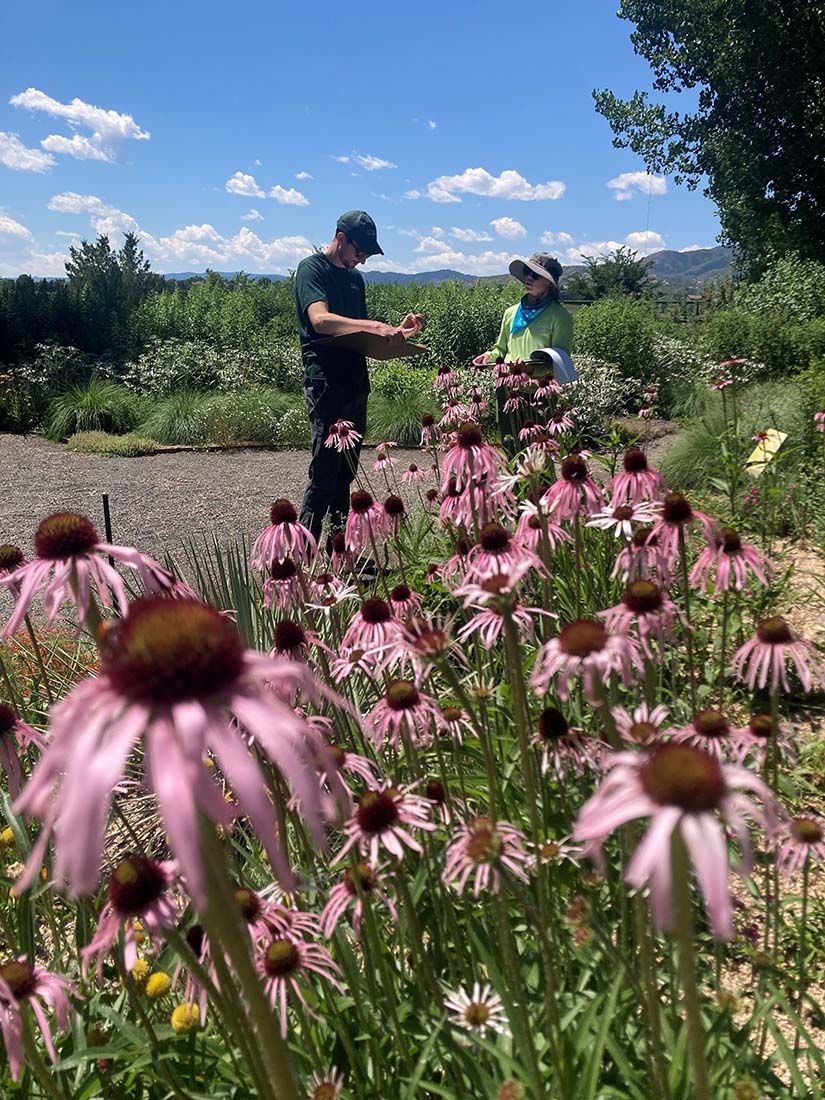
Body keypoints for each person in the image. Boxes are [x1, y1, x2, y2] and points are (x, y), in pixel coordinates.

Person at [293, 210, 423, 549]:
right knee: (323, 474)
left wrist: (396, 332)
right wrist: (372, 325)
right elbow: (320, 320)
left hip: (355, 382)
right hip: (325, 383)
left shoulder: (355, 280)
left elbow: (355, 331)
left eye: (366, 254)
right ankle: (300, 564)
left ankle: (339, 556)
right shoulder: (311, 270)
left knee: (345, 475)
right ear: (340, 238)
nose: (362, 260)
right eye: (359, 252)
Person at [474, 251, 573, 453]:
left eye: (535, 274)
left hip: (539, 392)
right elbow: (500, 348)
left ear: (548, 282)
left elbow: (560, 359)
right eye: (528, 271)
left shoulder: (560, 316)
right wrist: (488, 357)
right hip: (507, 390)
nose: (529, 277)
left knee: (540, 450)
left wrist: (530, 369)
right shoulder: (511, 313)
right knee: (511, 446)